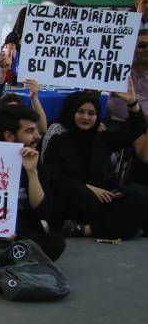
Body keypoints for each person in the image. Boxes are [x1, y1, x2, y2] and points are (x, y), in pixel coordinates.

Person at [44, 88, 148, 239]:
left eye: (91, 113)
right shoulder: (59, 142)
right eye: (81, 112)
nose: (86, 117)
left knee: (141, 194)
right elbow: (53, 178)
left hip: (105, 199)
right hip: (74, 200)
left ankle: (87, 229)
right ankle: (118, 226)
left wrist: (132, 102)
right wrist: (88, 188)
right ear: (71, 112)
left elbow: (135, 129)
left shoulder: (102, 139)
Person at [0, 105, 66, 260]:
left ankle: (0, 257)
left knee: (55, 243)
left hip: (24, 234)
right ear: (9, 136)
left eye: (36, 130)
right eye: (29, 131)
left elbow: (43, 210)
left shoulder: (36, 163)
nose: (38, 136)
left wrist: (31, 172)